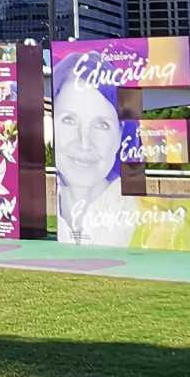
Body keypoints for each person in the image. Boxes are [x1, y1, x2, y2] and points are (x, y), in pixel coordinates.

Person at [53, 69, 134, 245]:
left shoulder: (153, 226)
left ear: (120, 134)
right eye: (69, 120)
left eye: (101, 125)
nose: (84, 142)